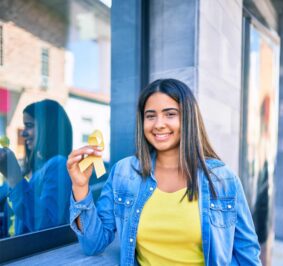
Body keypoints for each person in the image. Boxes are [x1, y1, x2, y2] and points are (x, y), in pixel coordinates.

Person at [67, 79, 261, 265]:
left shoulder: (222, 178)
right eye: (150, 116)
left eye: (170, 114)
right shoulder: (124, 173)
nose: (158, 124)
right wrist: (80, 186)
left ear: (188, 118)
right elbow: (93, 244)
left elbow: (247, 253)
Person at [0, 99, 73, 235]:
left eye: (29, 125)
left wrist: (13, 177)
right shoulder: (32, 170)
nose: (23, 133)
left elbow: (47, 226)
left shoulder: (59, 165)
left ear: (48, 127)